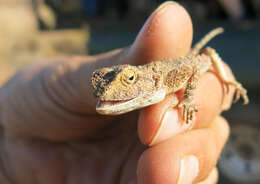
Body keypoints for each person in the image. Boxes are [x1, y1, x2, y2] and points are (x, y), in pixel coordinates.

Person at [0, 2, 234, 183]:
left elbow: (194, 68)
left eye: (130, 79)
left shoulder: (166, 79)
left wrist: (189, 100)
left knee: (208, 61)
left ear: (144, 79)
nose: (106, 93)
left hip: (198, 61)